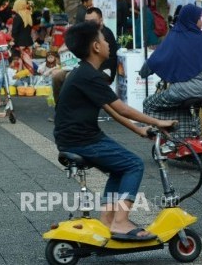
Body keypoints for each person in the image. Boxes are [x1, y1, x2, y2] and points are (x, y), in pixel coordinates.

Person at [54, 21, 177, 240]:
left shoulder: (85, 73)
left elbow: (110, 109)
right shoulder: (89, 76)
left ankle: (108, 220)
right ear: (96, 47)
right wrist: (158, 122)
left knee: (119, 168)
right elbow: (122, 108)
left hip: (76, 137)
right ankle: (120, 222)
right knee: (133, 164)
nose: (108, 42)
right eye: (103, 38)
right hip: (81, 140)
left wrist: (140, 130)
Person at [141, 4, 202, 138]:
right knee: (180, 107)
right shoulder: (200, 38)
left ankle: (165, 136)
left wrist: (143, 72)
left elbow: (156, 60)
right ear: (192, 19)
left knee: (149, 103)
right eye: (200, 18)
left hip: (183, 90)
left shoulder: (175, 37)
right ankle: (185, 136)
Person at [85, 7, 118, 84]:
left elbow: (107, 60)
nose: (89, 24)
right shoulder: (89, 33)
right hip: (91, 70)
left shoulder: (105, 35)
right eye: (86, 21)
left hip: (104, 71)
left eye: (92, 21)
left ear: (101, 20)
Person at [12, 0, 35, 75]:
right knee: (28, 63)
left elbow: (14, 32)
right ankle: (30, 79)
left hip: (20, 43)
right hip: (29, 43)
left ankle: (22, 82)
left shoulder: (17, 17)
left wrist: (13, 42)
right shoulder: (29, 15)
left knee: (19, 64)